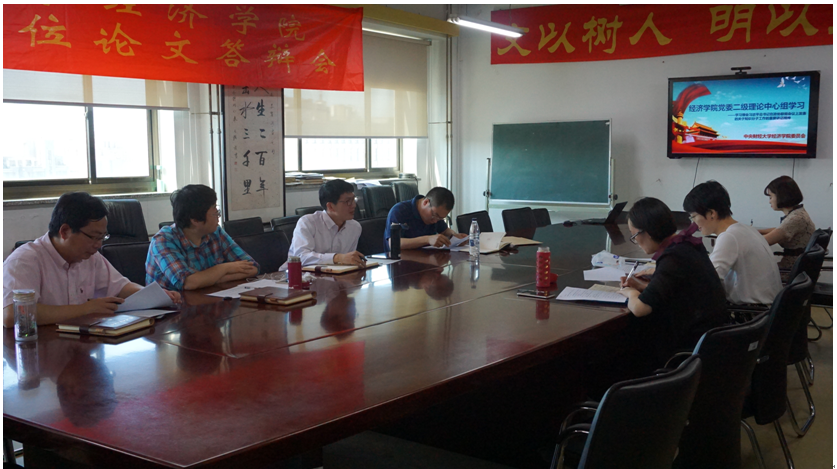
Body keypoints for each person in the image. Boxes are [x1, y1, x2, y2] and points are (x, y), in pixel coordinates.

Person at [2, 192, 180, 327]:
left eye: (103, 237)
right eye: (93, 237)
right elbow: (12, 314)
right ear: (65, 231)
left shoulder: (89, 257)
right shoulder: (25, 260)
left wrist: (154, 296)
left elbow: (121, 287)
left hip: (81, 345)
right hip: (39, 351)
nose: (98, 244)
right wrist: (85, 309)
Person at [619, 197, 727, 364]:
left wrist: (631, 293)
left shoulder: (672, 257)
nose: (636, 242)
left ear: (647, 232)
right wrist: (642, 286)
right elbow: (678, 288)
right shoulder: (686, 244)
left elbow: (640, 309)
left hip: (692, 346)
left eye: (634, 235)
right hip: (711, 338)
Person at [683, 181, 782, 305]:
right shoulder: (745, 229)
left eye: (693, 216)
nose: (693, 222)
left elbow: (708, 281)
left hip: (752, 312)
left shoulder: (729, 236)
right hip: (769, 308)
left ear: (711, 213)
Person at [146, 184, 258, 291]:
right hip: (170, 303)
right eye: (215, 213)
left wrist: (212, 279)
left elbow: (252, 267)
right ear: (195, 220)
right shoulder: (163, 240)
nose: (218, 217)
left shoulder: (216, 232)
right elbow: (188, 282)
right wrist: (225, 268)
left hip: (207, 298)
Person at [287, 179, 365, 267]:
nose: (354, 205)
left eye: (354, 199)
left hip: (333, 273)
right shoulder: (308, 223)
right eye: (348, 201)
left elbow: (348, 260)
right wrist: (337, 258)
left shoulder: (355, 227)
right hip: (297, 273)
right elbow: (300, 257)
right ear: (330, 206)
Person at [758, 176, 815, 270]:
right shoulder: (798, 213)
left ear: (781, 196)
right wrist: (756, 231)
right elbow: (779, 230)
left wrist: (741, 236)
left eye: (771, 197)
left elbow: (761, 242)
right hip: (796, 268)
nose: (769, 201)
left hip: (790, 270)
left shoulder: (795, 219)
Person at [383, 187, 468, 250]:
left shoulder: (436, 215)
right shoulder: (399, 211)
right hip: (401, 262)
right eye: (434, 215)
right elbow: (393, 243)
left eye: (440, 218)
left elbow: (445, 231)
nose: (435, 221)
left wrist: (455, 236)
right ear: (426, 202)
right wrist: (427, 239)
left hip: (426, 259)